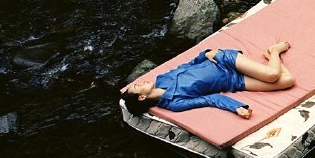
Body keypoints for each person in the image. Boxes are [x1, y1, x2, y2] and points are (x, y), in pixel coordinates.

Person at [121, 42, 294, 119]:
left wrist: (206, 53)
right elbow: (210, 99)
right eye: (138, 86)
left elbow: (188, 65)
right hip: (232, 81)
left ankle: (275, 50)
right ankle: (272, 55)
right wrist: (237, 107)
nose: (142, 81)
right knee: (288, 81)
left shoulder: (162, 78)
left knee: (272, 75)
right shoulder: (174, 103)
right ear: (141, 97)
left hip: (223, 60)